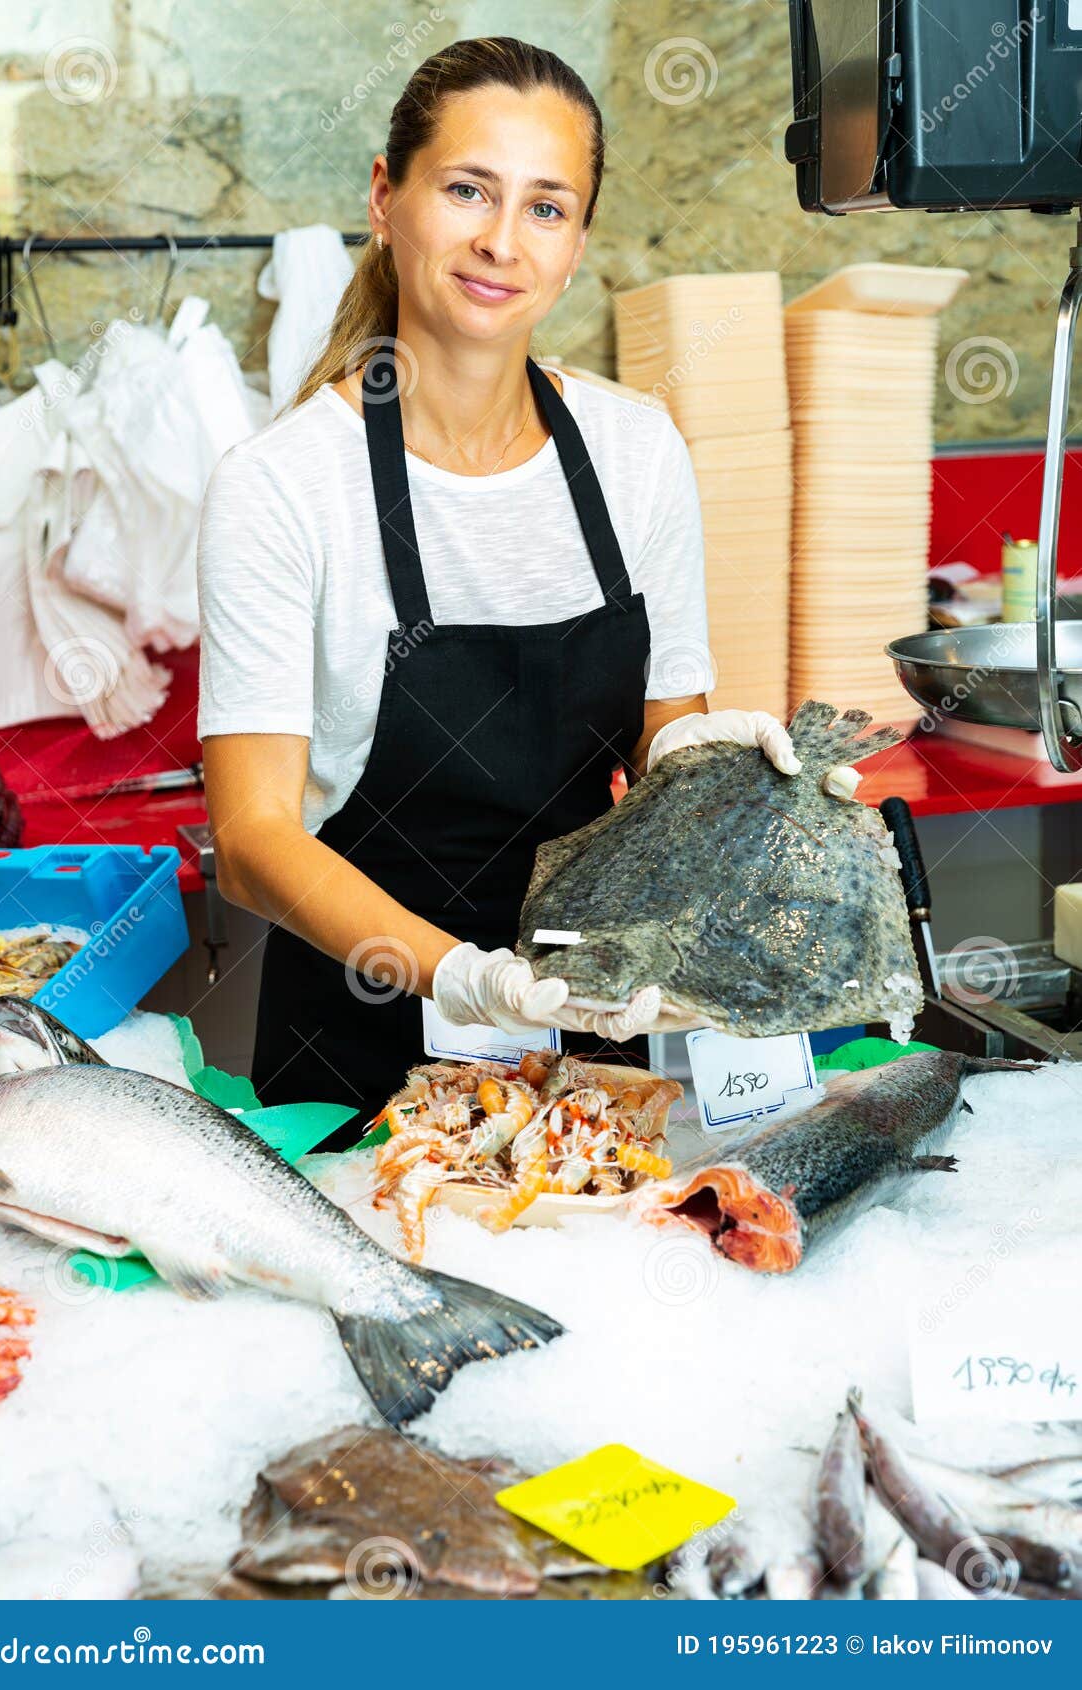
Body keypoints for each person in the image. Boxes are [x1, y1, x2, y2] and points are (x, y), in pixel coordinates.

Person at [196, 36, 857, 1143]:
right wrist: (458, 977)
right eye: (467, 190)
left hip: (591, 1020)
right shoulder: (281, 487)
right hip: (359, 1040)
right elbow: (253, 836)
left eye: (547, 208)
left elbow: (661, 743)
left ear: (579, 242)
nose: (503, 241)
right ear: (386, 196)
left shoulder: (637, 452)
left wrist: (718, 764)